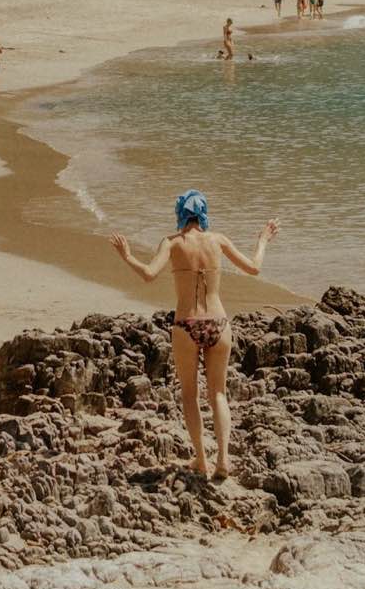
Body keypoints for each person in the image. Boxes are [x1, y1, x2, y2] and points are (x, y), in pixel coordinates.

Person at [109, 191, 279, 481]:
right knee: (219, 393)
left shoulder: (172, 243)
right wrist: (262, 240)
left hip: (186, 325)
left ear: (179, 214)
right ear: (203, 215)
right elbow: (254, 267)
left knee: (190, 394)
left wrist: (126, 256)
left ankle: (201, 459)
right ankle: (223, 460)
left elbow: (149, 274)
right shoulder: (218, 240)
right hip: (219, 323)